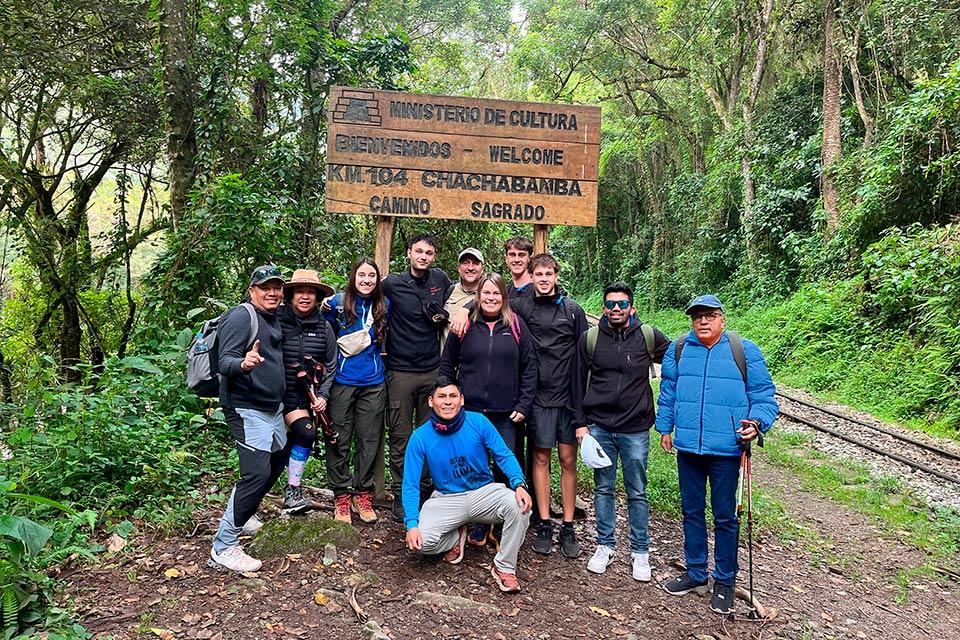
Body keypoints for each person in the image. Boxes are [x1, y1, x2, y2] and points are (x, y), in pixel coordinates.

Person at [656, 294, 778, 615]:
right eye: (697, 317)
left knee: (725, 517)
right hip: (689, 450)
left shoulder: (744, 351)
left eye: (709, 316)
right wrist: (665, 428)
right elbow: (668, 392)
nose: (703, 322)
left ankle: (724, 580)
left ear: (722, 319)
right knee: (691, 511)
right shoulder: (679, 350)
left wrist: (757, 422)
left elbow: (764, 395)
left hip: (726, 450)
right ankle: (696, 573)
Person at [573, 282, 671, 582]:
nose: (616, 309)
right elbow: (576, 382)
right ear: (604, 308)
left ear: (632, 307)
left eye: (622, 304)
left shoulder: (648, 336)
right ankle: (605, 545)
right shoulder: (590, 339)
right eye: (611, 304)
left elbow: (680, 360)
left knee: (637, 490)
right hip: (599, 425)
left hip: (635, 428)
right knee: (603, 487)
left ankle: (640, 551)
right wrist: (580, 423)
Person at [403, 381, 533, 593]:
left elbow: (504, 454)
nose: (447, 402)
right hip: (446, 498)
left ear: (461, 400)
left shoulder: (478, 422)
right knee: (421, 543)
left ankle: (504, 566)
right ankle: (456, 536)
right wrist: (411, 523)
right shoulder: (420, 437)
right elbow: (410, 485)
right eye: (441, 396)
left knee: (520, 507)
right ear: (430, 401)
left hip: (483, 493)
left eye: (452, 396)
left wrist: (518, 483)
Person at [439, 272, 537, 547]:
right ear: (478, 297)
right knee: (473, 467)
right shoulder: (466, 324)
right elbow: (448, 365)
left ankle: (501, 523)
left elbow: (530, 368)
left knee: (504, 468)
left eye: (496, 294)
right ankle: (478, 523)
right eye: (486, 293)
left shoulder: (516, 325)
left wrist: (523, 404)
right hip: (469, 412)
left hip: (506, 412)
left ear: (503, 297)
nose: (491, 298)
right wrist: (448, 399)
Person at [209, 265, 288, 573]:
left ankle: (247, 511)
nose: (272, 292)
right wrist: (244, 363)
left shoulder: (273, 317)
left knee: (279, 458)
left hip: (272, 408)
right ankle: (224, 545)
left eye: (277, 287)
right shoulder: (242, 316)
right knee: (255, 474)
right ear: (252, 290)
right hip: (247, 407)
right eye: (265, 287)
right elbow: (224, 361)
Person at [512, 254, 588, 558]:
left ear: (556, 276)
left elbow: (584, 358)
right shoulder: (521, 306)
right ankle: (544, 522)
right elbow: (489, 308)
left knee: (568, 460)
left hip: (568, 397)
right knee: (540, 457)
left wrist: (583, 406)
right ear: (531, 276)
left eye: (548, 274)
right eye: (539, 274)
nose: (544, 279)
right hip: (538, 397)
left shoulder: (573, 311)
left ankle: (567, 525)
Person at [382, 234, 453, 522]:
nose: (423, 256)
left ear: (434, 256)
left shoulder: (441, 280)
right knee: (400, 435)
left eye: (429, 252)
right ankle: (402, 493)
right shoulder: (392, 284)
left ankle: (425, 491)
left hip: (432, 371)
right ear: (409, 253)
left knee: (430, 436)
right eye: (419, 251)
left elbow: (464, 298)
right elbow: (359, 293)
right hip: (400, 371)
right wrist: (330, 303)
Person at [323, 258, 390, 524]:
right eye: (361, 275)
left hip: (373, 381)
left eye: (371, 276)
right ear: (353, 277)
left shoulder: (384, 305)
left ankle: (362, 493)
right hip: (341, 380)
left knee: (369, 439)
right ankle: (341, 495)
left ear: (377, 279)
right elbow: (322, 332)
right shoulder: (338, 304)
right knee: (338, 437)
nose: (366, 280)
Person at [278, 269, 337, 514]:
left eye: (310, 292)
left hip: (301, 398)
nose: (304, 297)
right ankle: (248, 506)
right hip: (270, 396)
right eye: (300, 291)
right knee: (269, 453)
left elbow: (332, 365)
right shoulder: (274, 319)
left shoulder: (324, 327)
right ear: (291, 295)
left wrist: (323, 396)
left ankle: (293, 489)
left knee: (305, 434)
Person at [441, 247, 484, 348]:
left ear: (482, 269)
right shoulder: (448, 291)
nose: (470, 267)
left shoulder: (490, 297)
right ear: (459, 268)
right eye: (465, 263)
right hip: (446, 361)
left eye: (475, 263)